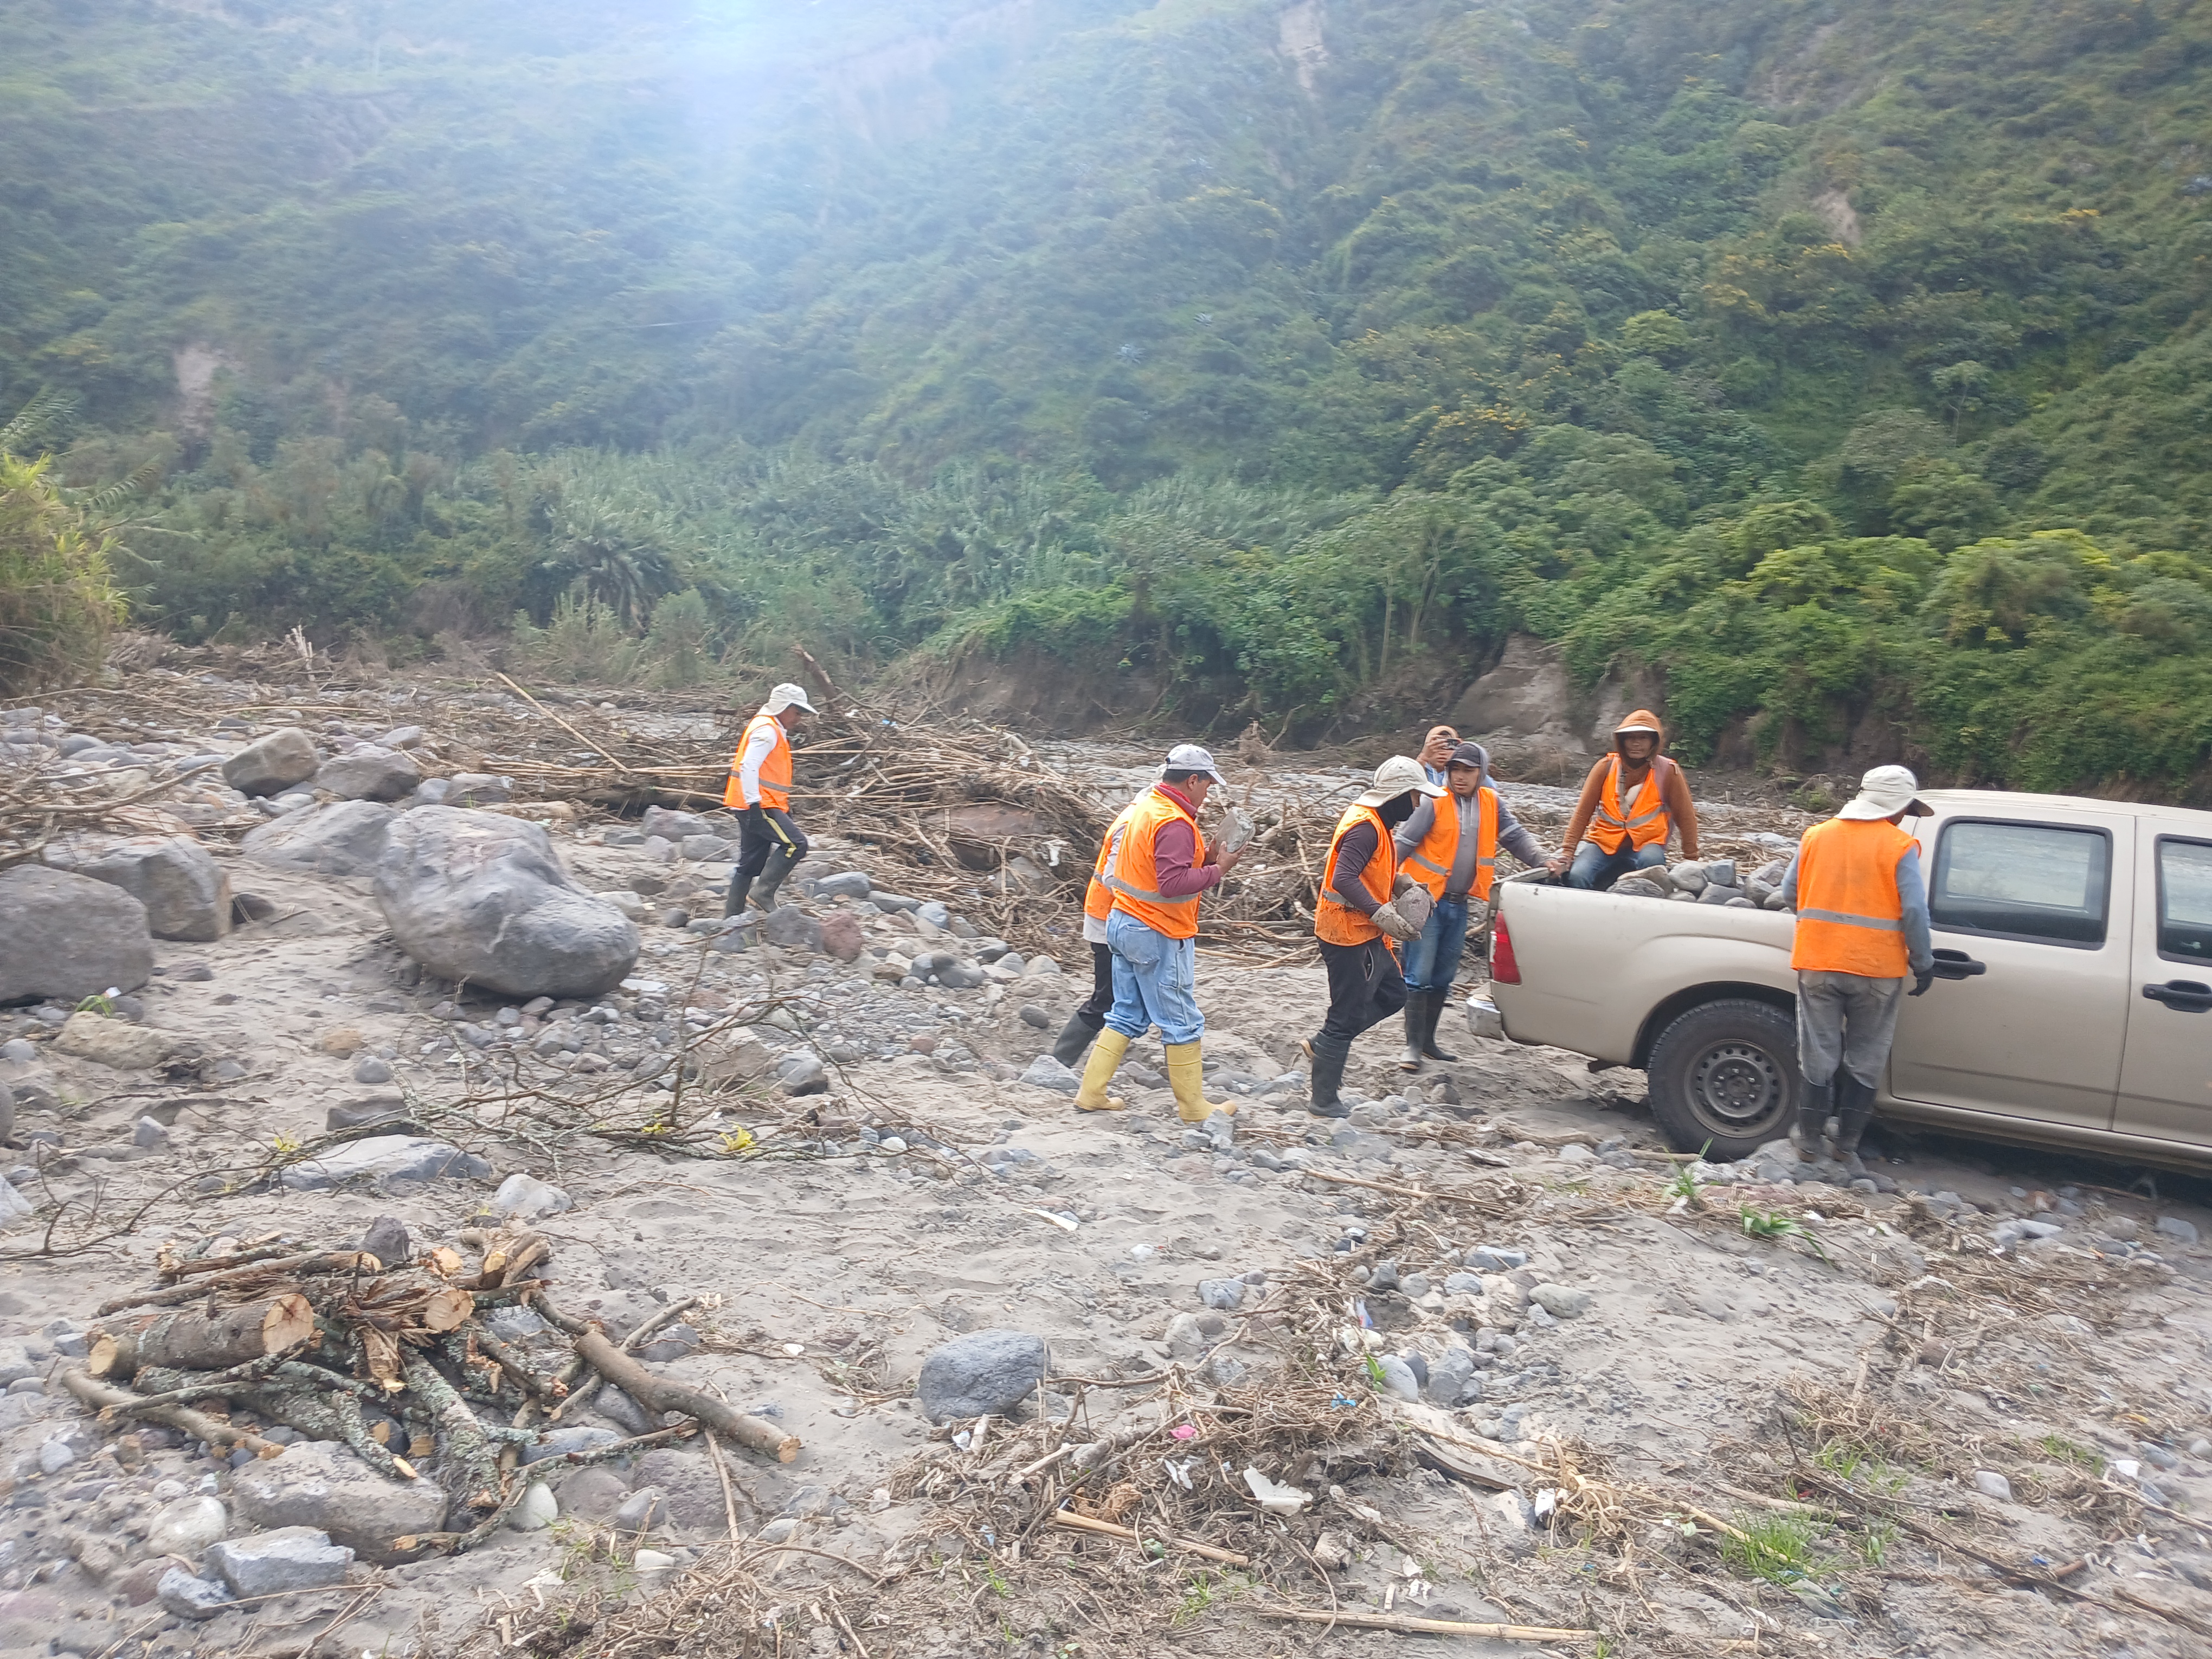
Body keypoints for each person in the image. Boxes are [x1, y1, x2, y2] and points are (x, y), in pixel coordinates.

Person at [1072, 744, 1248, 1122]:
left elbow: (1156, 868)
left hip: (1124, 922)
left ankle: (1091, 1092)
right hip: (1157, 929)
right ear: (1192, 780)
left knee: (1125, 1013)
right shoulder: (1175, 822)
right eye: (1207, 785)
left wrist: (1205, 856)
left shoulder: (1148, 807)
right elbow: (1172, 884)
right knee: (1182, 1020)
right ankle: (1194, 1107)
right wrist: (1220, 868)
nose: (1207, 793)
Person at [1781, 764, 1937, 1174]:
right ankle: (1846, 1145)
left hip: (1818, 962)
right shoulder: (1900, 846)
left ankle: (1809, 1142)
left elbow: (1789, 892)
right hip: (1877, 970)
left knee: (1818, 1052)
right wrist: (1923, 962)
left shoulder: (1816, 836)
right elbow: (1915, 911)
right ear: (1897, 808)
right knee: (1867, 1056)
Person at [1392, 741, 1554, 1070]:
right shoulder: (1433, 801)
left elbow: (1515, 837)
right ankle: (1412, 1046)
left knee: (1443, 976)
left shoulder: (1491, 802)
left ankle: (1428, 1043)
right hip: (1426, 902)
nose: (1460, 776)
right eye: (1455, 769)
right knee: (1418, 974)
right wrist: (1381, 879)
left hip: (1459, 903)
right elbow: (1404, 842)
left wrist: (1544, 861)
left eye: (1468, 770)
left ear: (1481, 773)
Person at [1304, 755, 1446, 1118]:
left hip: (1363, 932)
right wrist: (1382, 914)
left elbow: (1370, 869)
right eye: (1416, 796)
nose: (1418, 804)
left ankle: (1324, 1043)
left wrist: (1402, 883)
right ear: (1398, 794)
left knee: (1394, 993)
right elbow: (1344, 878)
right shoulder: (1366, 828)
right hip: (1346, 933)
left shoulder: (1377, 823)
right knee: (1346, 1013)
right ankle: (1324, 1099)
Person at [1552, 709, 1699, 891]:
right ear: (1621, 741)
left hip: (1648, 842)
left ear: (1654, 742)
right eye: (1630, 738)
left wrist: (1691, 858)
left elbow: (1685, 816)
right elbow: (1582, 813)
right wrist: (1567, 853)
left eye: (1643, 738)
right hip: (1604, 842)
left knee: (1652, 863)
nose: (1636, 743)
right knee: (1577, 877)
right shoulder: (1605, 767)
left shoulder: (1669, 771)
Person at [1049, 791, 1146, 1068]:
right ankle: (1060, 1062)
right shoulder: (1139, 821)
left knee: (1118, 997)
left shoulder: (1141, 813)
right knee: (1108, 998)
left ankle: (1068, 1061)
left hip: (1113, 917)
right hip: (1110, 920)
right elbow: (1116, 878)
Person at [723, 682, 815, 917]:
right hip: (760, 804)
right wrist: (755, 805)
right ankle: (762, 894)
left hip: (750, 803)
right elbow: (749, 766)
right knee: (796, 845)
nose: (799, 719)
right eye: (797, 712)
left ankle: (731, 920)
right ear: (783, 707)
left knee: (749, 864)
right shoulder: (767, 731)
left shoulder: (767, 727)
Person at [1417, 723, 1460, 788]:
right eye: (1436, 746)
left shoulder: (1463, 773)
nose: (1442, 752)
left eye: (1448, 746)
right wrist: (1422, 759)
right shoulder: (1416, 771)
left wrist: (1463, 754)